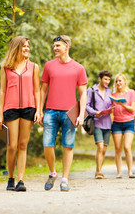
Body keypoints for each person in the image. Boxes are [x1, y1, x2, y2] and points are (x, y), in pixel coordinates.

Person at [40, 35, 87, 191]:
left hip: (69, 112)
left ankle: (65, 179)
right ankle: (53, 173)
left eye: (58, 45)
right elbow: (43, 90)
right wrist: (40, 110)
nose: (55, 48)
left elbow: (83, 94)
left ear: (67, 46)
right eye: (54, 46)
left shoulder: (79, 68)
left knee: (68, 146)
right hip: (51, 111)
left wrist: (81, 115)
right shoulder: (48, 66)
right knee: (47, 144)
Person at [0, 36, 41, 191]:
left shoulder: (34, 67)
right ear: (16, 48)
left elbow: (37, 90)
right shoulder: (6, 67)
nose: (27, 49)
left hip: (29, 108)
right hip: (11, 108)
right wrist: (0, 114)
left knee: (23, 145)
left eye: (28, 46)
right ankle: (10, 178)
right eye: (24, 46)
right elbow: (2, 91)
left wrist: (39, 110)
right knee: (12, 146)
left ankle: (21, 181)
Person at [86, 70, 113, 179]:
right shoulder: (91, 90)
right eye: (105, 79)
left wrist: (112, 109)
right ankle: (98, 172)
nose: (107, 81)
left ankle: (99, 171)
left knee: (104, 149)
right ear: (100, 79)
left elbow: (112, 105)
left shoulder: (110, 92)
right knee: (100, 147)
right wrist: (94, 112)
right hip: (97, 122)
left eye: (109, 80)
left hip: (107, 124)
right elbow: (86, 105)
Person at [111, 73, 135, 179]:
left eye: (120, 81)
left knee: (127, 147)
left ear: (124, 82)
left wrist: (121, 104)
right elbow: (112, 110)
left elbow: (132, 109)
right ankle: (119, 173)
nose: (118, 83)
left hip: (129, 123)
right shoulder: (113, 95)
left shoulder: (131, 93)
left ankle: (130, 172)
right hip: (116, 123)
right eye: (116, 81)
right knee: (117, 148)